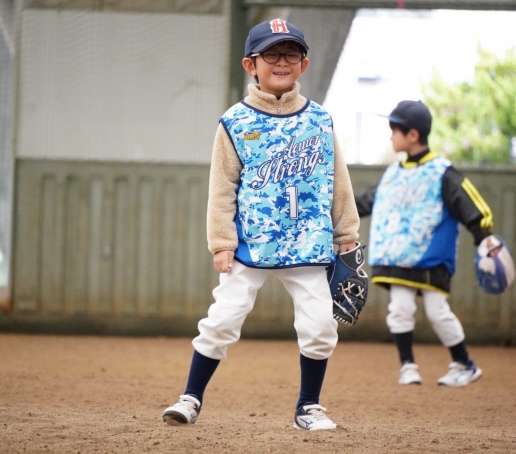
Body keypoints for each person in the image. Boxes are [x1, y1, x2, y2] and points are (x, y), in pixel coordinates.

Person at [162, 18, 360, 430]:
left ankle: (308, 407)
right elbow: (222, 186)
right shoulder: (235, 122)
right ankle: (190, 397)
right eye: (271, 54)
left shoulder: (320, 120)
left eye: (291, 53)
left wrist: (347, 235)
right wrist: (221, 240)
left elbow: (338, 180)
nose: (282, 61)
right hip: (252, 243)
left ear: (304, 64)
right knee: (222, 319)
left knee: (320, 326)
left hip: (308, 241)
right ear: (250, 65)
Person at [355, 100, 494, 387]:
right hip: (397, 257)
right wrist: (334, 209)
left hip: (430, 256)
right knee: (399, 309)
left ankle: (464, 363)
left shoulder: (441, 172)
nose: (391, 137)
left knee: (436, 311)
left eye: (394, 131)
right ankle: (408, 366)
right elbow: (365, 202)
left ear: (413, 135)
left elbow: (470, 205)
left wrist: (483, 237)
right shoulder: (393, 175)